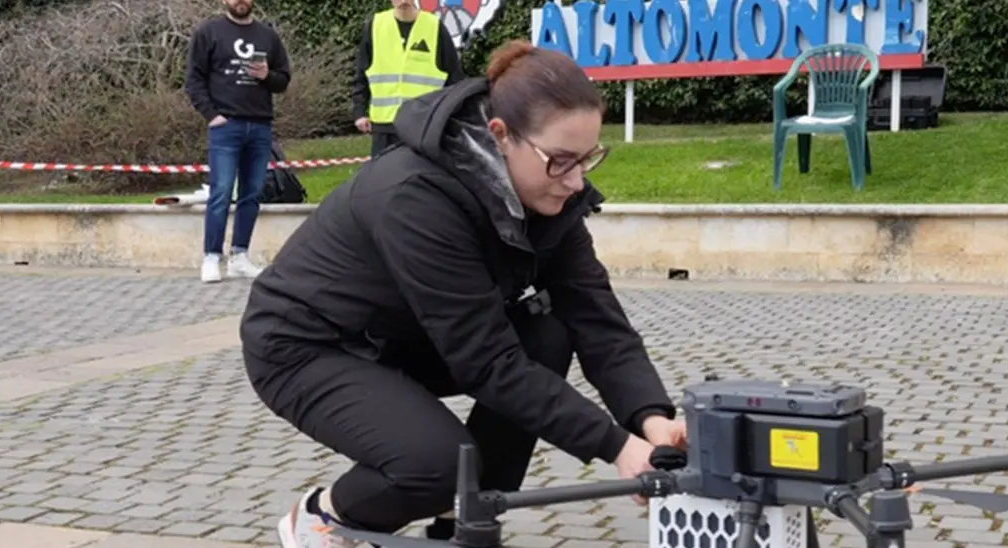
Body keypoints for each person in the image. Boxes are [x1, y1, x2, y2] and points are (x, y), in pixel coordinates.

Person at [239, 38, 688, 548]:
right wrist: (614, 446)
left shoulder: (548, 194)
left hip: (405, 335)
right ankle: (324, 516)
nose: (576, 180)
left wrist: (651, 419)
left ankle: (468, 521)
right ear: (500, 136)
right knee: (436, 465)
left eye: (588, 158)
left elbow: (598, 317)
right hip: (306, 345)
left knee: (547, 334)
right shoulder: (415, 198)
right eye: (561, 161)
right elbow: (487, 362)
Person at [183, 0, 292, 283]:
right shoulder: (209, 32)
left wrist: (267, 76)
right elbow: (193, 78)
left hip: (259, 125)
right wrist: (211, 115)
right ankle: (211, 257)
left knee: (252, 194)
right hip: (225, 127)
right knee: (220, 192)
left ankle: (240, 256)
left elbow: (284, 80)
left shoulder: (267, 35)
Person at [351, 0, 466, 159]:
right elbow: (361, 73)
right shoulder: (375, 26)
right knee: (382, 180)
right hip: (385, 126)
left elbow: (454, 78)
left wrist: (451, 116)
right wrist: (359, 111)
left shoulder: (434, 27)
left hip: (422, 126)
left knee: (421, 180)